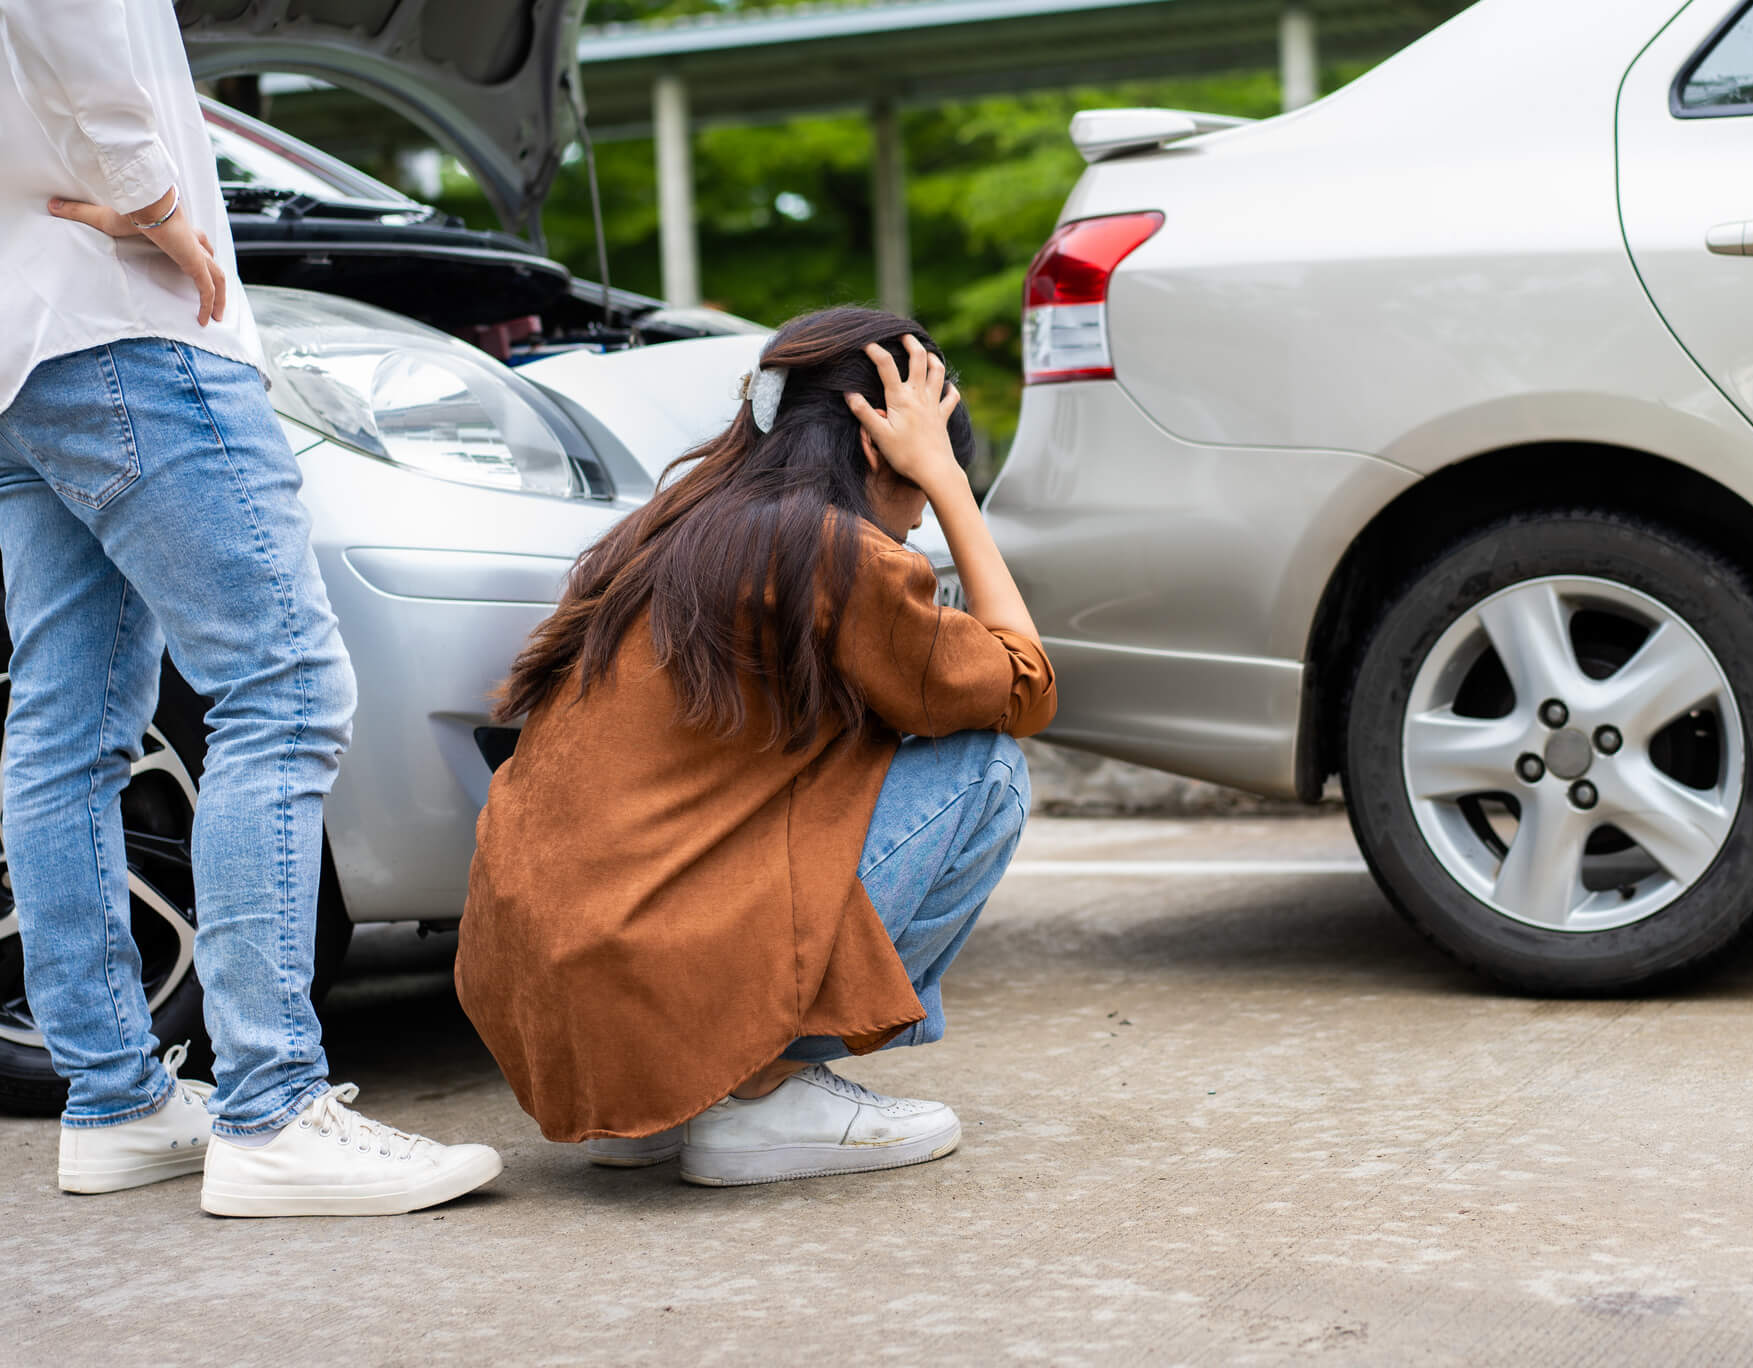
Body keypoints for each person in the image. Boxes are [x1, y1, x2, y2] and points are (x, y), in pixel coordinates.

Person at [0, 0, 499, 1215]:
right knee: (283, 688)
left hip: (24, 339)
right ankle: (274, 1109)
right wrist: (157, 202)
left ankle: (116, 1102)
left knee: (69, 728)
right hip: (122, 319)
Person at [457, 307, 1056, 1187]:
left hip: (542, 996)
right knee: (987, 771)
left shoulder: (664, 531)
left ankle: (661, 1105)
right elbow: (1024, 684)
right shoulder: (834, 553)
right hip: (649, 957)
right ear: (877, 450)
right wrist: (954, 484)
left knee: (822, 772)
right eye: (923, 492)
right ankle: (761, 1093)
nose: (920, 523)